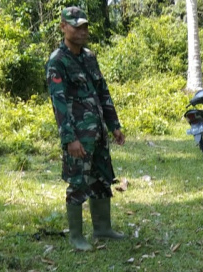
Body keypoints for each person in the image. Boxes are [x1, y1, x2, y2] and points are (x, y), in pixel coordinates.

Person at [46, 6, 126, 251]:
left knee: (102, 178)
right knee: (78, 182)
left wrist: (114, 124)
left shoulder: (89, 57)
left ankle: (102, 229)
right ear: (63, 27)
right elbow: (59, 105)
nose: (82, 31)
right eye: (76, 26)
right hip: (78, 137)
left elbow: (102, 91)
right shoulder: (57, 62)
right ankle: (77, 237)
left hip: (98, 133)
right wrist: (69, 138)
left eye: (85, 27)